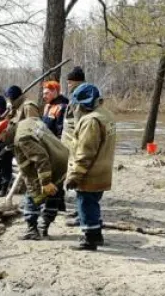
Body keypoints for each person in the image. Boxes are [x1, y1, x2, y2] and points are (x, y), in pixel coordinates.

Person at [65, 83, 117, 251]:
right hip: (103, 169)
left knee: (85, 203)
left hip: (90, 172)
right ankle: (97, 235)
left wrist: (75, 175)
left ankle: (90, 239)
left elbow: (85, 153)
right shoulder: (106, 115)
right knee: (93, 202)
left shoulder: (90, 121)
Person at [8, 117, 69, 240]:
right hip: (61, 159)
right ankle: (44, 227)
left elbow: (41, 158)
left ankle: (32, 229)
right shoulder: (27, 122)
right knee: (54, 193)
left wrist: (45, 182)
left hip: (51, 164)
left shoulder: (21, 138)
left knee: (32, 196)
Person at [62, 66, 86, 228]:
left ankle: (82, 215)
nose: (68, 85)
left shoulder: (81, 98)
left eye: (70, 82)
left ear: (77, 82)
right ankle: (79, 210)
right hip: (70, 146)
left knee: (80, 180)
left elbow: (80, 124)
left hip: (77, 146)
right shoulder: (74, 97)